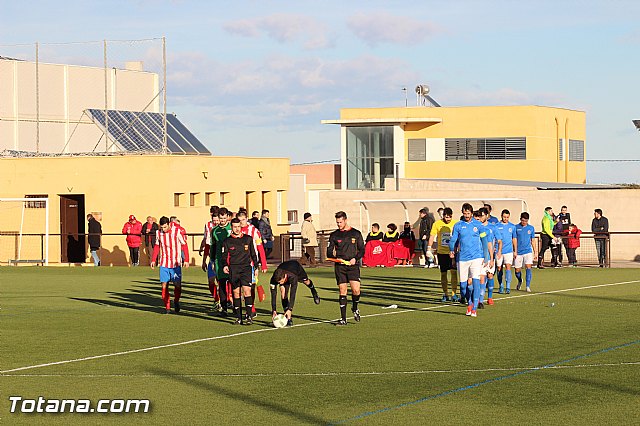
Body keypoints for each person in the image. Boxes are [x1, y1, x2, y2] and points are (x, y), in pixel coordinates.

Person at [448, 203, 490, 318]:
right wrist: (452, 249)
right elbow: (453, 240)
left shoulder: (478, 225)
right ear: (462, 213)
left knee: (476, 281)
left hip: (477, 257)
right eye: (465, 213)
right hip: (462, 258)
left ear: (471, 213)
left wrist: (486, 257)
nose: (466, 215)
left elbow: (484, 241)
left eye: (468, 213)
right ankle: (470, 302)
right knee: (463, 286)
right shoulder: (458, 225)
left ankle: (474, 308)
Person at [327, 211, 365, 326]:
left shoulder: (356, 233)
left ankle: (355, 308)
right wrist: (335, 258)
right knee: (343, 291)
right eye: (337, 222)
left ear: (345, 220)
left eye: (340, 222)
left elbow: (362, 250)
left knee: (356, 290)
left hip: (353, 266)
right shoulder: (334, 235)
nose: (338, 224)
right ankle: (343, 319)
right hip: (340, 267)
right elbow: (329, 251)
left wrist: (355, 259)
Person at [221, 218, 259, 325]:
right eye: (234, 227)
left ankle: (248, 316)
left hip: (246, 268)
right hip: (234, 269)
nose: (237, 229)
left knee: (247, 291)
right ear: (231, 227)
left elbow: (253, 254)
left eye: (238, 226)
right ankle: (238, 317)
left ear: (240, 227)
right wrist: (225, 266)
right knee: (236, 292)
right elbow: (223, 257)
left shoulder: (248, 239)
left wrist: (256, 267)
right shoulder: (227, 241)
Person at [151, 216, 189, 314]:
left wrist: (186, 260)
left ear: (169, 224)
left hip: (176, 263)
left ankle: (176, 301)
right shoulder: (158, 233)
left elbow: (184, 245)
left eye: (165, 227)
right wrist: (153, 259)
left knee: (177, 285)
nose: (163, 229)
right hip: (164, 263)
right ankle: (167, 307)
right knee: (164, 286)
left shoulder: (177, 231)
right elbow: (156, 246)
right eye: (161, 227)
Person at [237, 209, 268, 318]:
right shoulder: (235, 230)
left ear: (247, 219)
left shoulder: (253, 230)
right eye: (240, 220)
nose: (242, 222)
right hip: (237, 264)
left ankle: (251, 308)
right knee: (239, 287)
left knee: (251, 287)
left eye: (244, 220)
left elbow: (260, 248)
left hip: (251, 264)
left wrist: (263, 264)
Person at [270, 260, 320, 327]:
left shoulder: (293, 277)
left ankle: (313, 291)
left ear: (284, 277)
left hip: (296, 268)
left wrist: (290, 309)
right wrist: (274, 310)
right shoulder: (274, 278)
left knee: (306, 282)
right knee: (283, 293)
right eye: (278, 282)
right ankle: (289, 319)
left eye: (281, 282)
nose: (280, 283)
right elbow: (273, 294)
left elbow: (293, 293)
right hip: (285, 267)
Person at [427, 207, 459, 302]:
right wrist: (429, 247)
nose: (447, 219)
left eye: (449, 217)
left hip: (452, 252)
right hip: (441, 252)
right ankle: (445, 294)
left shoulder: (455, 224)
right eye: (446, 217)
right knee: (443, 273)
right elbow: (432, 236)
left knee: (453, 272)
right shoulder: (437, 224)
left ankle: (454, 293)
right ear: (443, 216)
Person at [477, 207, 498, 307]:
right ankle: (480, 300)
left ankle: (489, 297)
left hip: (489, 256)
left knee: (490, 276)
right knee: (481, 278)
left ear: (486, 216)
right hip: (478, 256)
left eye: (482, 215)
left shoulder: (490, 228)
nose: (480, 218)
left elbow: (492, 243)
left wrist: (492, 258)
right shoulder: (476, 228)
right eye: (479, 216)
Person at [200, 206, 220, 308]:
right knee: (211, 280)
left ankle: (227, 300)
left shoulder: (226, 227)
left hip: (222, 259)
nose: (215, 221)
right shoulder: (208, 225)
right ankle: (216, 300)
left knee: (222, 281)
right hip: (212, 258)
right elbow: (207, 242)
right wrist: (204, 260)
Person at [495, 209, 517, 294]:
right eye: (504, 217)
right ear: (501, 216)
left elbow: (514, 238)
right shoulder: (496, 226)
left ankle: (508, 287)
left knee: (508, 267)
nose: (506, 218)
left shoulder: (512, 226)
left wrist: (515, 250)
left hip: (509, 250)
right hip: (498, 250)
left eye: (507, 217)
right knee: (499, 268)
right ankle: (501, 285)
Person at [514, 212, 537, 292]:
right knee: (517, 270)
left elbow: (533, 240)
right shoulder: (516, 227)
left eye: (526, 221)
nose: (524, 222)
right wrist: (515, 251)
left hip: (528, 251)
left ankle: (527, 286)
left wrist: (535, 252)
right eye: (523, 221)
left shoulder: (531, 228)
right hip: (518, 252)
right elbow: (514, 240)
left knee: (528, 267)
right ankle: (520, 280)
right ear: (520, 219)